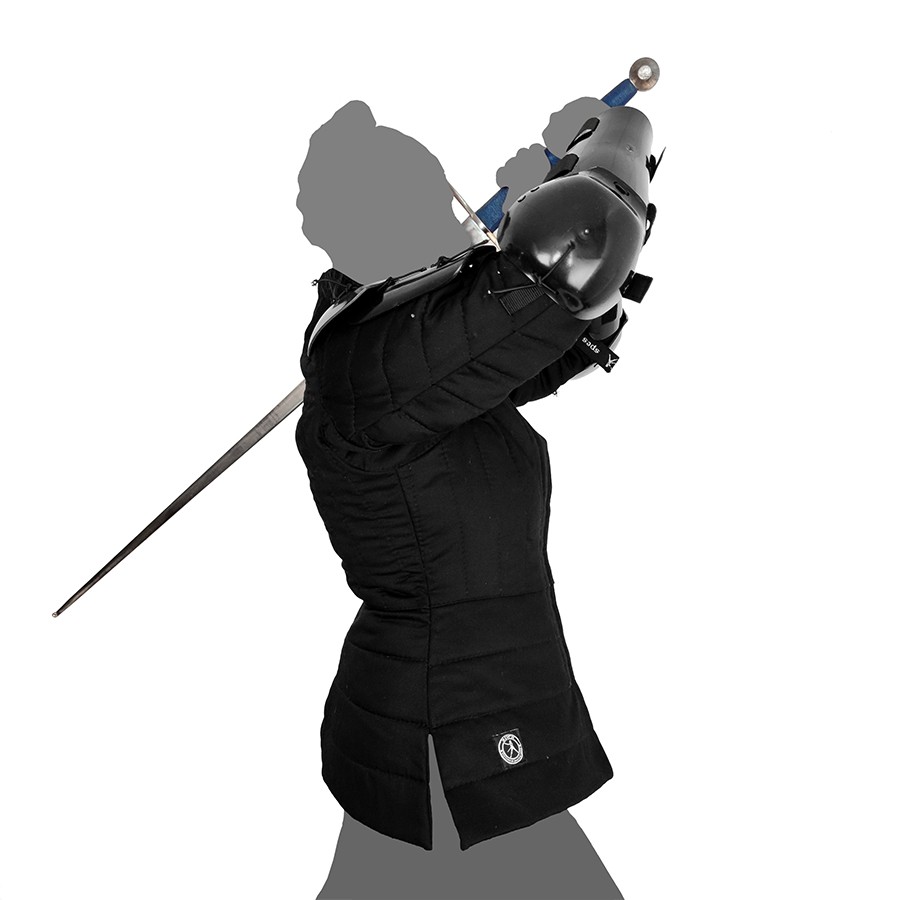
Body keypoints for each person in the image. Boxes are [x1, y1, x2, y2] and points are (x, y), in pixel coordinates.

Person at [295, 98, 652, 898]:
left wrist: (561, 182)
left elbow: (556, 332)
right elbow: (575, 246)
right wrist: (583, 173)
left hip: (451, 712)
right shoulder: (373, 365)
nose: (463, 220)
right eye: (436, 203)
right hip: (450, 727)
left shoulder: (413, 366)